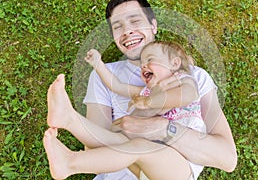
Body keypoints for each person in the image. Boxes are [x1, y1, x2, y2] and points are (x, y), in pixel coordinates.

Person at [83, 0, 237, 180]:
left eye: (135, 21)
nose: (127, 31)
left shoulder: (195, 76)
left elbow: (227, 159)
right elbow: (94, 148)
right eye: (118, 26)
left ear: (153, 25)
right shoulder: (103, 76)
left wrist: (163, 128)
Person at [43, 41, 206, 180]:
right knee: (116, 141)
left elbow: (184, 96)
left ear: (175, 63)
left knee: (138, 145)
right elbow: (117, 86)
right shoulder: (147, 91)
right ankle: (68, 118)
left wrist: (149, 102)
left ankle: (71, 162)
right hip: (148, 168)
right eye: (142, 62)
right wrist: (98, 65)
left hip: (182, 165)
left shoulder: (184, 80)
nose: (144, 65)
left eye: (150, 59)